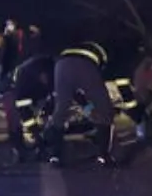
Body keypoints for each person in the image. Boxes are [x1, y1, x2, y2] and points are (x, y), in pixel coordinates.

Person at [41, 40, 116, 168]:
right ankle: (104, 156)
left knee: (61, 109)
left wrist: (87, 109)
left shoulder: (74, 47)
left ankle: (55, 155)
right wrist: (91, 112)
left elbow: (77, 95)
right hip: (86, 65)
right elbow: (94, 87)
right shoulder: (103, 55)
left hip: (61, 65)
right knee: (105, 110)